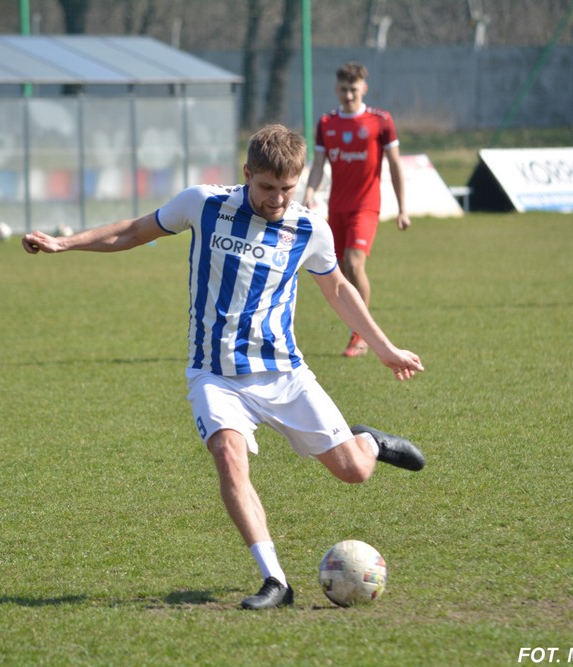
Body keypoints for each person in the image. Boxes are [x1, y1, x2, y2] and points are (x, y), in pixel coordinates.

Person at [23, 124, 426, 610]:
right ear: (247, 173)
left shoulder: (308, 229)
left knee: (355, 472)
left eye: (287, 189)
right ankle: (275, 580)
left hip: (283, 373)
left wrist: (384, 348)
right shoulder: (204, 204)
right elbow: (133, 231)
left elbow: (338, 288)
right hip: (213, 374)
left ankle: (369, 442)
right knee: (229, 456)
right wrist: (66, 243)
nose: (277, 199)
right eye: (267, 187)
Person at [302, 62, 411, 357]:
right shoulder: (327, 123)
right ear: (336, 89)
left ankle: (361, 336)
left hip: (366, 206)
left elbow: (395, 165)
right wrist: (309, 193)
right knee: (338, 271)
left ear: (364, 88)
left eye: (353, 89)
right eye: (343, 89)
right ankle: (357, 329)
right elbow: (318, 165)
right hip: (336, 208)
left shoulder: (380, 121)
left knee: (353, 263)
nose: (348, 95)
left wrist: (402, 208)